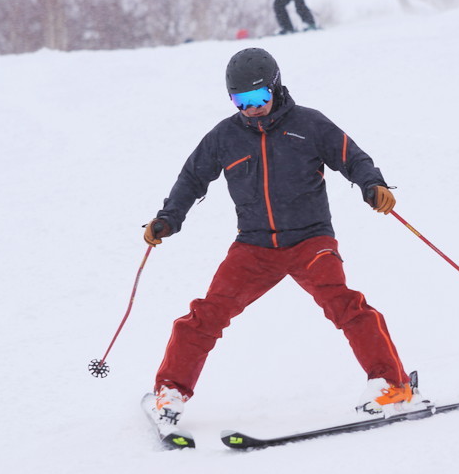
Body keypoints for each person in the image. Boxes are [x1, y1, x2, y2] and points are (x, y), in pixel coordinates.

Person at [145, 48, 418, 432]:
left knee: (344, 304)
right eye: (240, 101)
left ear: (275, 88)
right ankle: (169, 393)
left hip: (310, 240)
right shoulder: (224, 137)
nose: (251, 108)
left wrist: (372, 185)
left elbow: (352, 157)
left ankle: (393, 384)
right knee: (205, 315)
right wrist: (168, 218)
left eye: (258, 98)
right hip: (254, 246)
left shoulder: (309, 124)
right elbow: (192, 178)